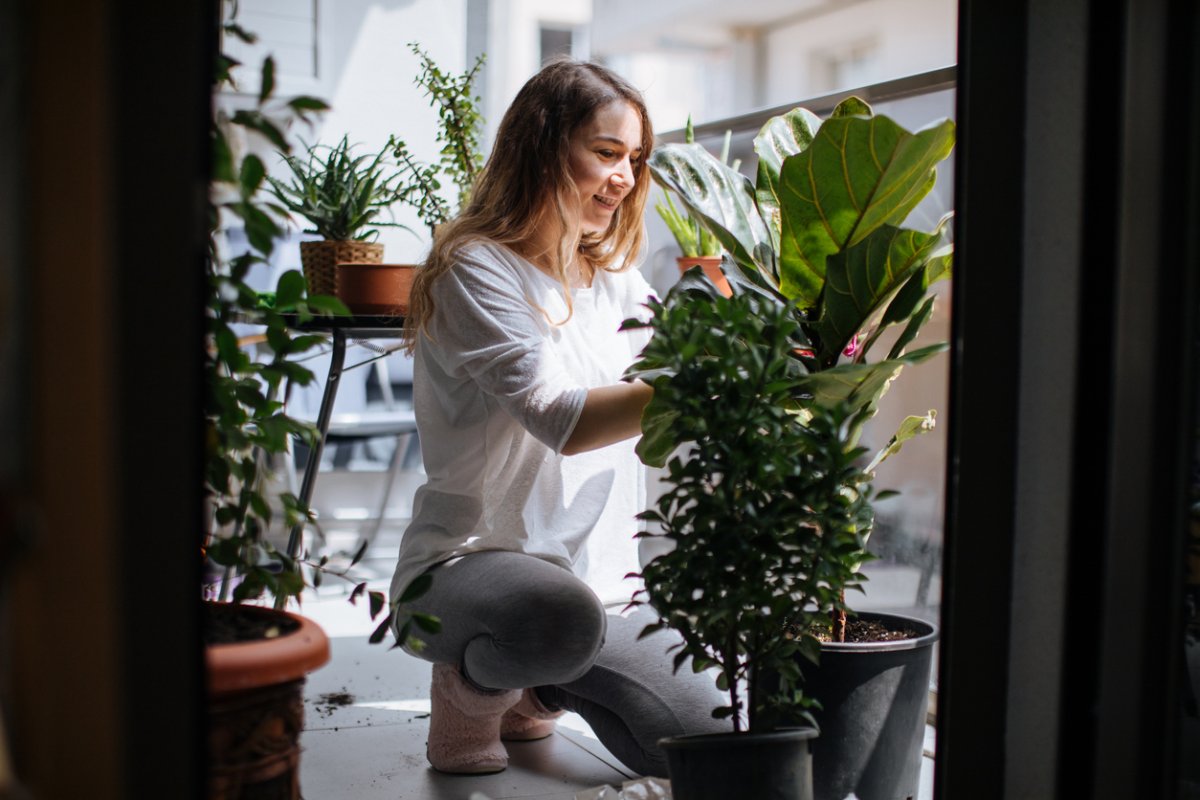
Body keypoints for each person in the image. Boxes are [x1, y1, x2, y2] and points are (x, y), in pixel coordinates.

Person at [388, 58, 729, 778]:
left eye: (634, 159)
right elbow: (564, 421)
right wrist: (710, 370)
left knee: (702, 751)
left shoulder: (613, 280)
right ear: (543, 146)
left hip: (598, 585)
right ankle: (472, 690)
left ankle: (536, 685)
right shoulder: (474, 268)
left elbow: (657, 403)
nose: (625, 178)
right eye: (606, 153)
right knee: (554, 617)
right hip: (470, 562)